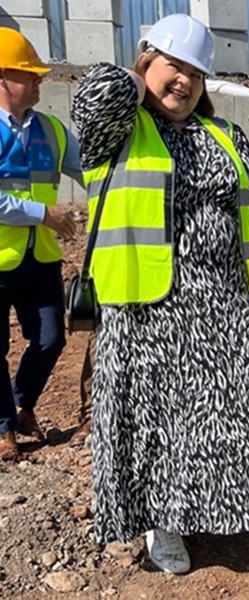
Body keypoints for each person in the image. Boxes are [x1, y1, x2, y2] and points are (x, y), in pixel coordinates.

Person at [71, 14, 249, 576]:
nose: (185, 83)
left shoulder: (226, 136)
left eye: (197, 74)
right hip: (145, 307)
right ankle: (161, 523)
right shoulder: (117, 129)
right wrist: (139, 72)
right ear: (147, 61)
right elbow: (94, 93)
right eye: (175, 66)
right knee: (159, 425)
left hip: (225, 300)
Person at [0, 27, 81, 460]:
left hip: (41, 258)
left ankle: (20, 402)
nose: (38, 81)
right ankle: (4, 428)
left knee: (51, 339)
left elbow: (89, 170)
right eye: (27, 74)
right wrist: (43, 214)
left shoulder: (52, 130)